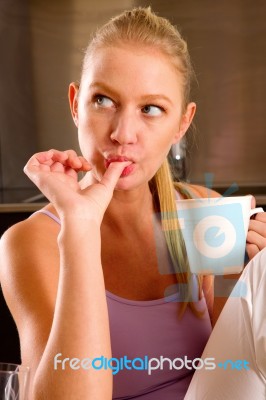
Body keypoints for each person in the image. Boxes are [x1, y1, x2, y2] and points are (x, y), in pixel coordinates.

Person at [0, 6, 265, 400]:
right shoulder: (30, 243)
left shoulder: (204, 212)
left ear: (181, 124)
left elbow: (234, 369)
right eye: (104, 100)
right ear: (76, 104)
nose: (123, 134)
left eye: (151, 109)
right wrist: (80, 226)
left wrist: (248, 273)